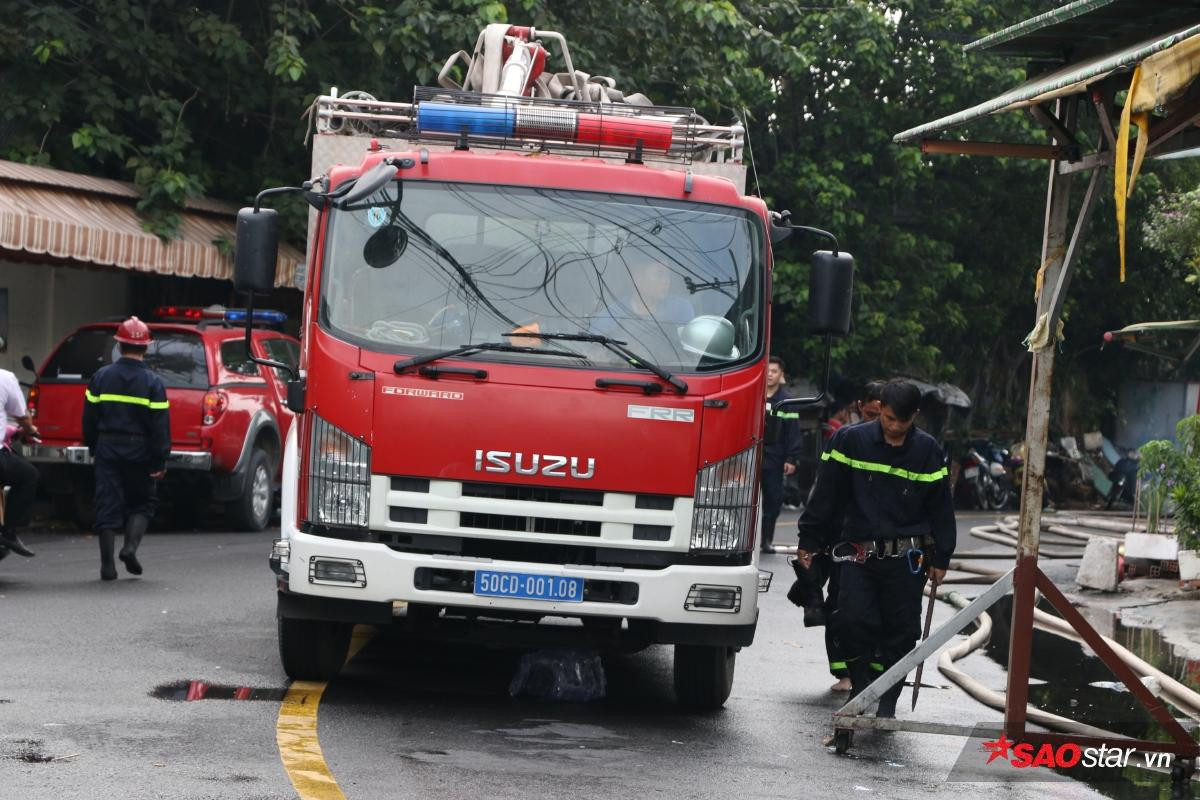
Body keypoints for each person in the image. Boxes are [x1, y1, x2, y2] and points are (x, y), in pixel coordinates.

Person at [796, 379, 955, 718]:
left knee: (900, 633)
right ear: (879, 409)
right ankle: (861, 683)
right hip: (857, 554)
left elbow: (941, 507)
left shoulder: (928, 451)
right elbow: (825, 494)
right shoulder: (849, 441)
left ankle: (887, 705)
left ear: (915, 415)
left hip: (907, 559)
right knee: (851, 621)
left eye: (902, 421)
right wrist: (809, 540)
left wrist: (942, 556)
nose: (894, 428)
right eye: (888, 419)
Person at [82, 317, 170, 581]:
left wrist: (94, 447)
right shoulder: (154, 383)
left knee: (106, 505)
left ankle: (107, 567)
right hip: (139, 449)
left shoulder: (101, 377)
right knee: (143, 502)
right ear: (146, 347)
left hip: (107, 447)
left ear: (119, 345)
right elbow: (159, 426)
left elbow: (89, 418)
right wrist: (159, 461)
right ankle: (130, 548)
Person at [822, 379, 886, 692]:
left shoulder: (903, 445)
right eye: (871, 414)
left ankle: (873, 670)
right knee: (840, 605)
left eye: (882, 415)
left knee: (878, 611)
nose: (876, 422)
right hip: (843, 538)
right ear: (859, 407)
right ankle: (844, 672)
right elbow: (825, 492)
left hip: (882, 542)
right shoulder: (844, 439)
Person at [761, 356, 801, 553]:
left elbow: (793, 431)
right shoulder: (754, 395)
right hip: (750, 457)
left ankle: (766, 540)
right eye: (767, 370)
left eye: (774, 371)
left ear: (781, 375)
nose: (769, 374)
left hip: (774, 458)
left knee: (773, 500)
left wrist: (792, 458)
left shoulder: (786, 402)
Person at [0, 359, 39, 559]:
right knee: (28, 475)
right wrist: (29, 429)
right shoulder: (5, 378)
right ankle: (9, 533)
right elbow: (23, 418)